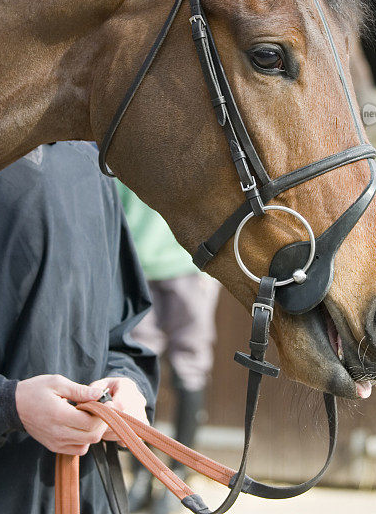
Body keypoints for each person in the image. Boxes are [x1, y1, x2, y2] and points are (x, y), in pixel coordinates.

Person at [0, 141, 159, 514]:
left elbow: (119, 335)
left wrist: (128, 387)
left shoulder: (87, 160)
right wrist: (6, 406)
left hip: (87, 493)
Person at [116, 183, 220, 514]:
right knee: (137, 368)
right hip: (136, 265)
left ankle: (179, 476)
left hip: (189, 264)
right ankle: (142, 475)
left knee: (189, 370)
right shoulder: (121, 130)